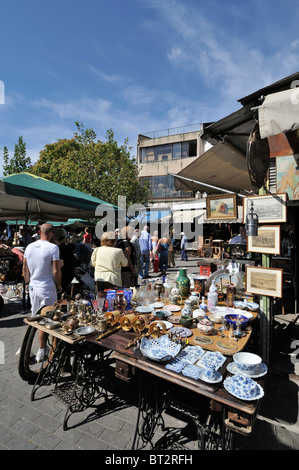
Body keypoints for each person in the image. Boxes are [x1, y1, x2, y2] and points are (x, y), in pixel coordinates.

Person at [22, 223, 62, 362]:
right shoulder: (53, 247)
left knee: (36, 318)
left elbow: (25, 268)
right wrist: (59, 285)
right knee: (49, 320)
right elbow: (56, 271)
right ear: (51, 233)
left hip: (33, 286)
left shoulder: (29, 246)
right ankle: (46, 350)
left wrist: (28, 283)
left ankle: (38, 350)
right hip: (47, 287)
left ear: (40, 232)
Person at [52, 227, 75, 294]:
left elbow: (58, 267)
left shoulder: (56, 249)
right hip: (68, 277)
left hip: (59, 278)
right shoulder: (69, 248)